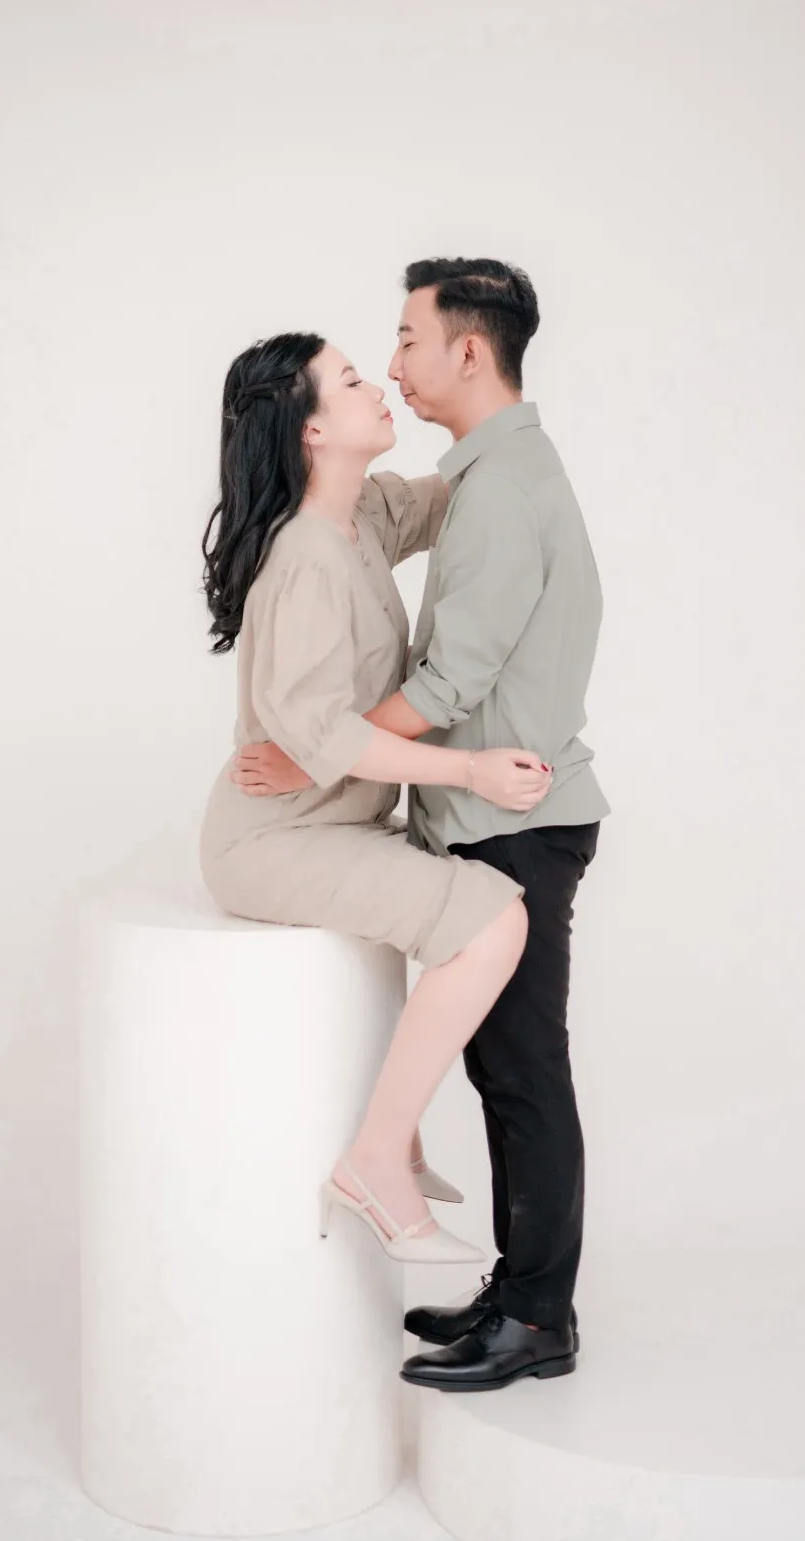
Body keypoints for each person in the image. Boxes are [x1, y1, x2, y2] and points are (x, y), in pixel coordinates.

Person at [234, 258, 610, 1393]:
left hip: (513, 813)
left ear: (468, 351)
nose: (391, 367)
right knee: (510, 1072)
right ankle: (519, 1292)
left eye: (403, 342)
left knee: (525, 1075)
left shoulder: (491, 488)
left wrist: (325, 745)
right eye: (366, 366)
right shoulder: (480, 479)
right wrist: (324, 744)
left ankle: (536, 1316)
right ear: (310, 428)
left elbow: (449, 681)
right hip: (475, 807)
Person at [199, 330, 553, 1268]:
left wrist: (487, 416)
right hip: (272, 840)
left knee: (463, 879)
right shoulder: (306, 559)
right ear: (311, 428)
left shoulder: (361, 514)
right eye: (353, 379)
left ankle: (401, 1142)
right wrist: (472, 772)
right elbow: (320, 734)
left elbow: (457, 497)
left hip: (332, 816)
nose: (380, 385)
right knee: (493, 923)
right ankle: (375, 1162)